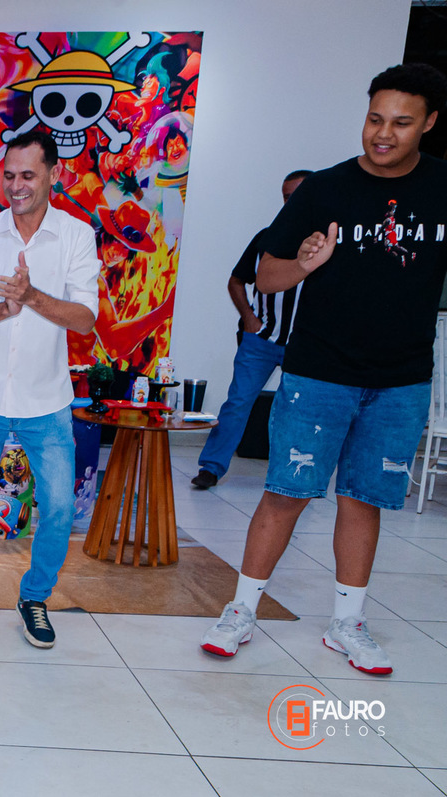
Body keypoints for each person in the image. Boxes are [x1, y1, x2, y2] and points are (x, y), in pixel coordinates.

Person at [201, 64, 447, 675]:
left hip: (402, 380)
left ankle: (347, 624)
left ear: (429, 124)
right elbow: (265, 277)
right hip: (319, 373)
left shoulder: (444, 187)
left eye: (401, 122)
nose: (383, 133)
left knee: (363, 500)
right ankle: (241, 611)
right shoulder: (325, 190)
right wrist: (307, 264)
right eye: (374, 119)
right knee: (286, 493)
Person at [0, 129, 100, 648]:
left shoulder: (75, 235)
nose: (16, 186)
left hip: (46, 399)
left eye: (28, 175)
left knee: (58, 509)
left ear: (55, 174)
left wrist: (32, 297)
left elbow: (84, 318)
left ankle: (34, 598)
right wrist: (2, 309)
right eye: (9, 175)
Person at [191, 169, 312, 489]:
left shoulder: (328, 243)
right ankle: (211, 468)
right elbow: (236, 280)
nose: (291, 203)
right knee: (238, 402)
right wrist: (249, 318)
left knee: (299, 409)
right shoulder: (266, 239)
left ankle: (295, 475)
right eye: (286, 197)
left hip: (305, 344)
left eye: (298, 196)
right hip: (261, 339)